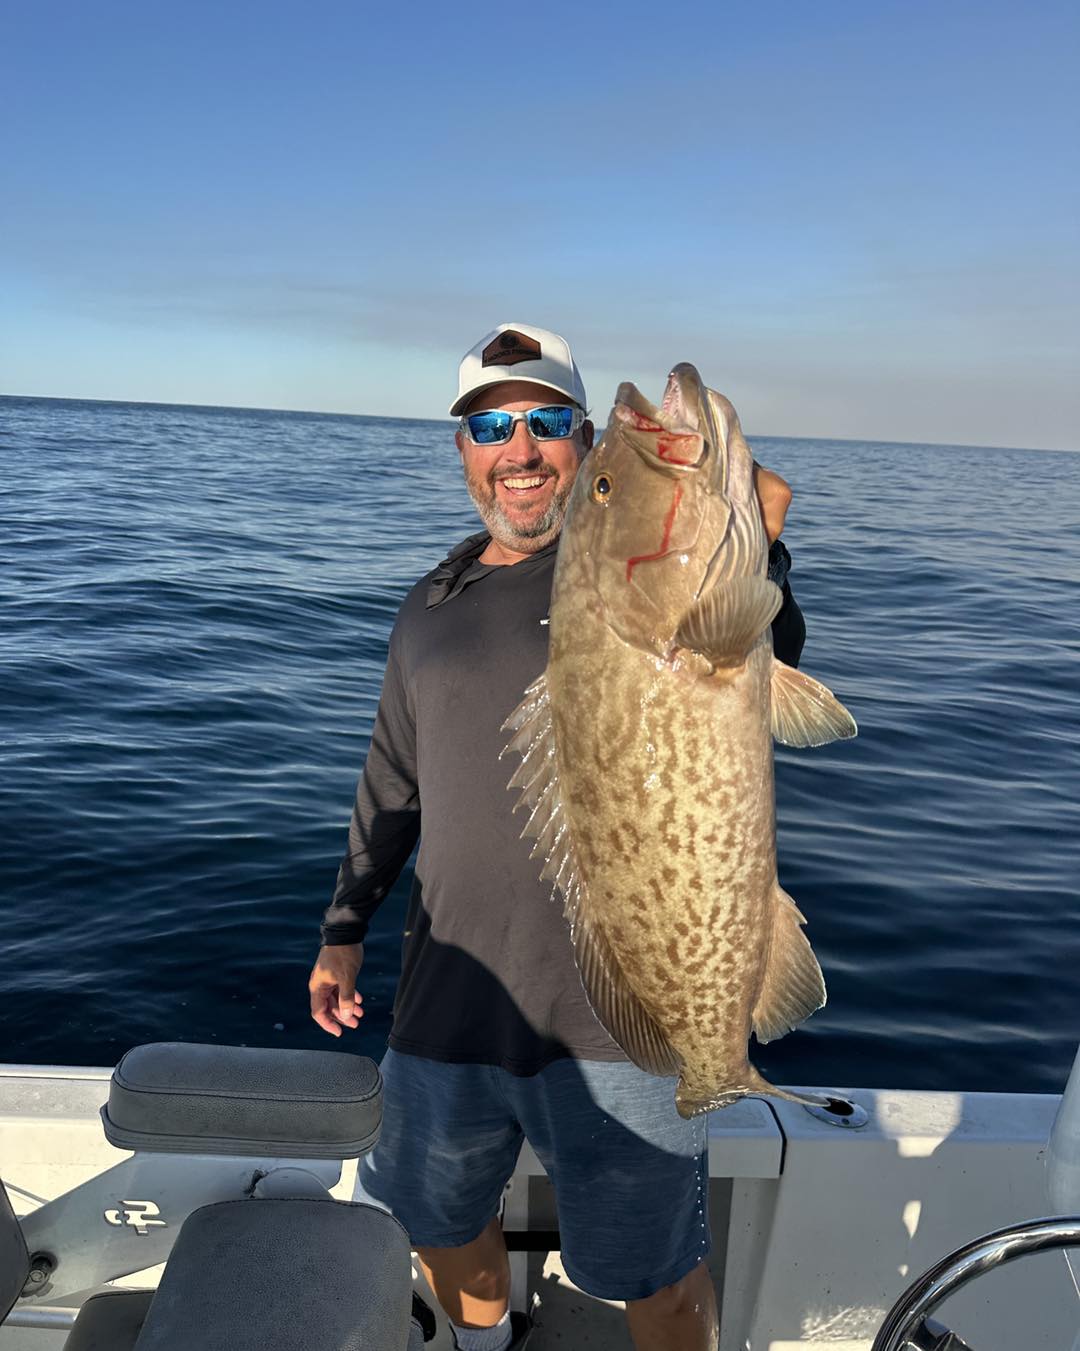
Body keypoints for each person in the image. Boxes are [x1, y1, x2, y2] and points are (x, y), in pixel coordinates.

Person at [307, 324, 804, 1351]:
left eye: (546, 422)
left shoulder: (619, 578)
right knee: (439, 1224)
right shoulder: (428, 605)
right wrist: (343, 927)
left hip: (619, 1020)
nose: (520, 450)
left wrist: (760, 549)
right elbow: (392, 779)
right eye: (492, 427)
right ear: (463, 449)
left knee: (655, 1272)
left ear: (579, 441)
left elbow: (763, 645)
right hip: (444, 1005)